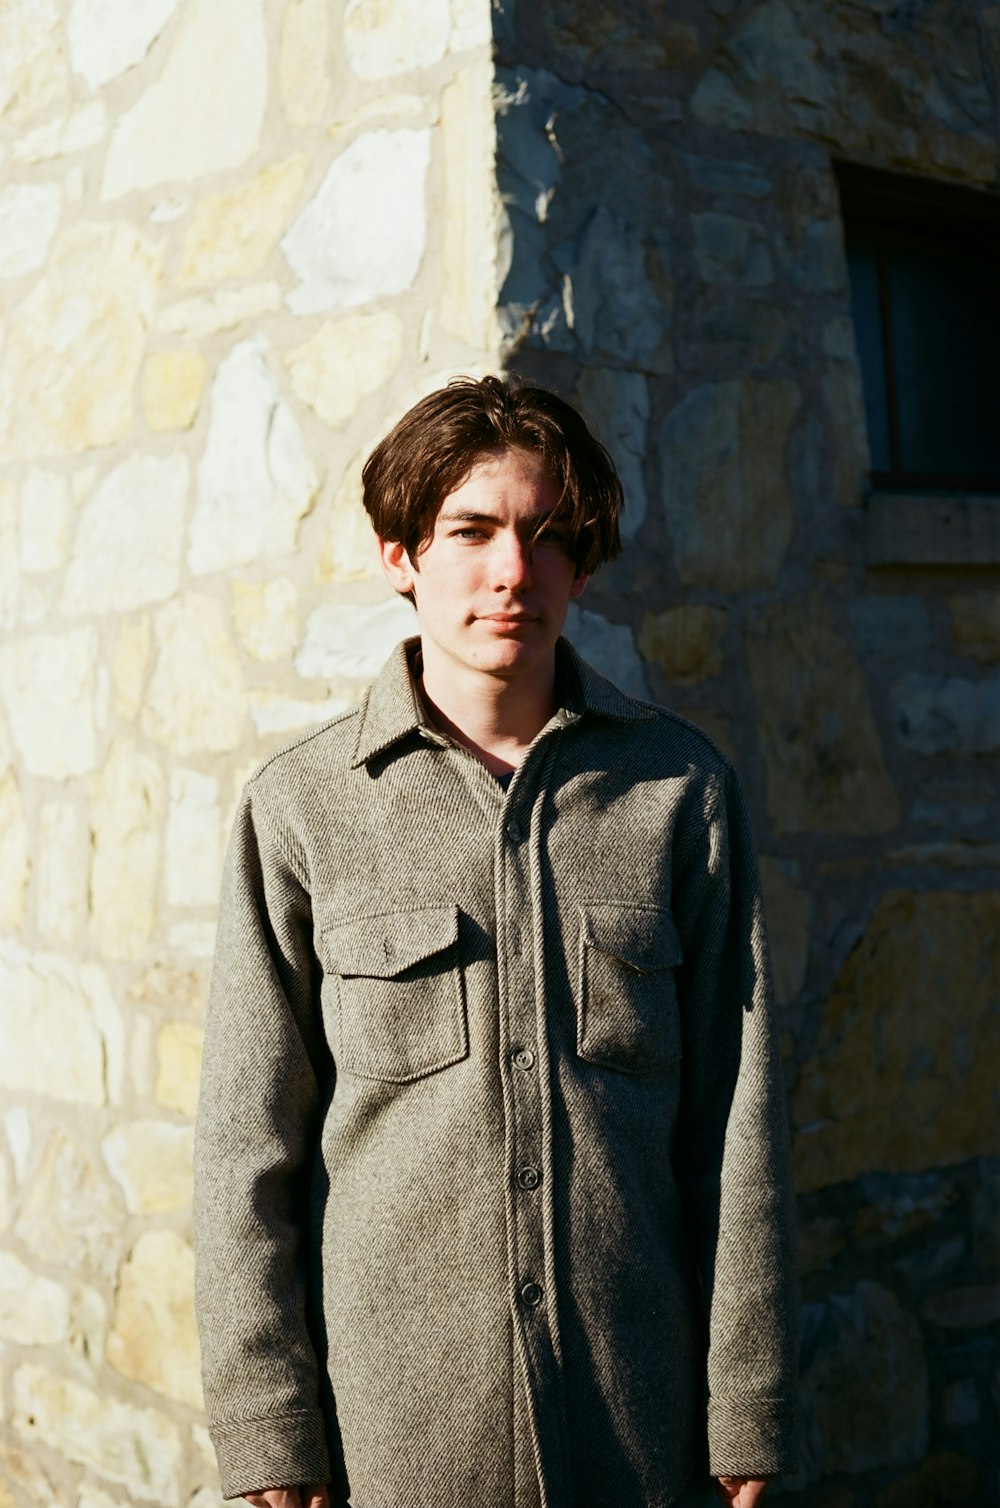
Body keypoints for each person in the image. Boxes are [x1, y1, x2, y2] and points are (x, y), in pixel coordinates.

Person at [194, 375, 799, 1508]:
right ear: (399, 556)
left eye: (547, 535)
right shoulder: (301, 809)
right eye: (470, 531)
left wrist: (747, 1399)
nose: (512, 571)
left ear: (582, 559)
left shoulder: (678, 791)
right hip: (399, 1440)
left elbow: (739, 1117)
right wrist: (268, 1426)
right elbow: (245, 1149)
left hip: (638, 1423)